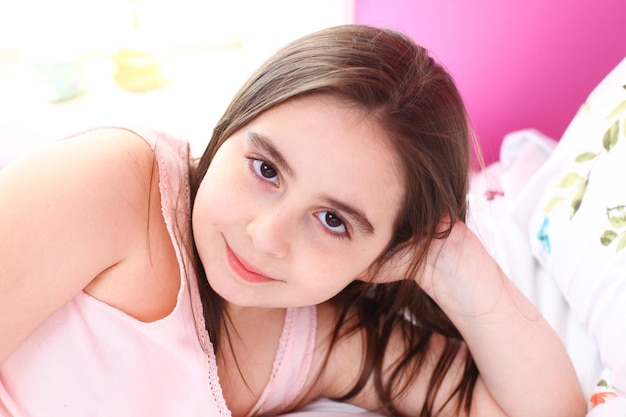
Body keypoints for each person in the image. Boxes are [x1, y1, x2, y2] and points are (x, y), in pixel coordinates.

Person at [0, 25, 585, 417]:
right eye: (265, 169)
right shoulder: (117, 185)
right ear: (232, 124)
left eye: (332, 220)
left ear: (384, 255)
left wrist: (450, 257)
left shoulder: (319, 342)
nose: (265, 237)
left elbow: (545, 410)